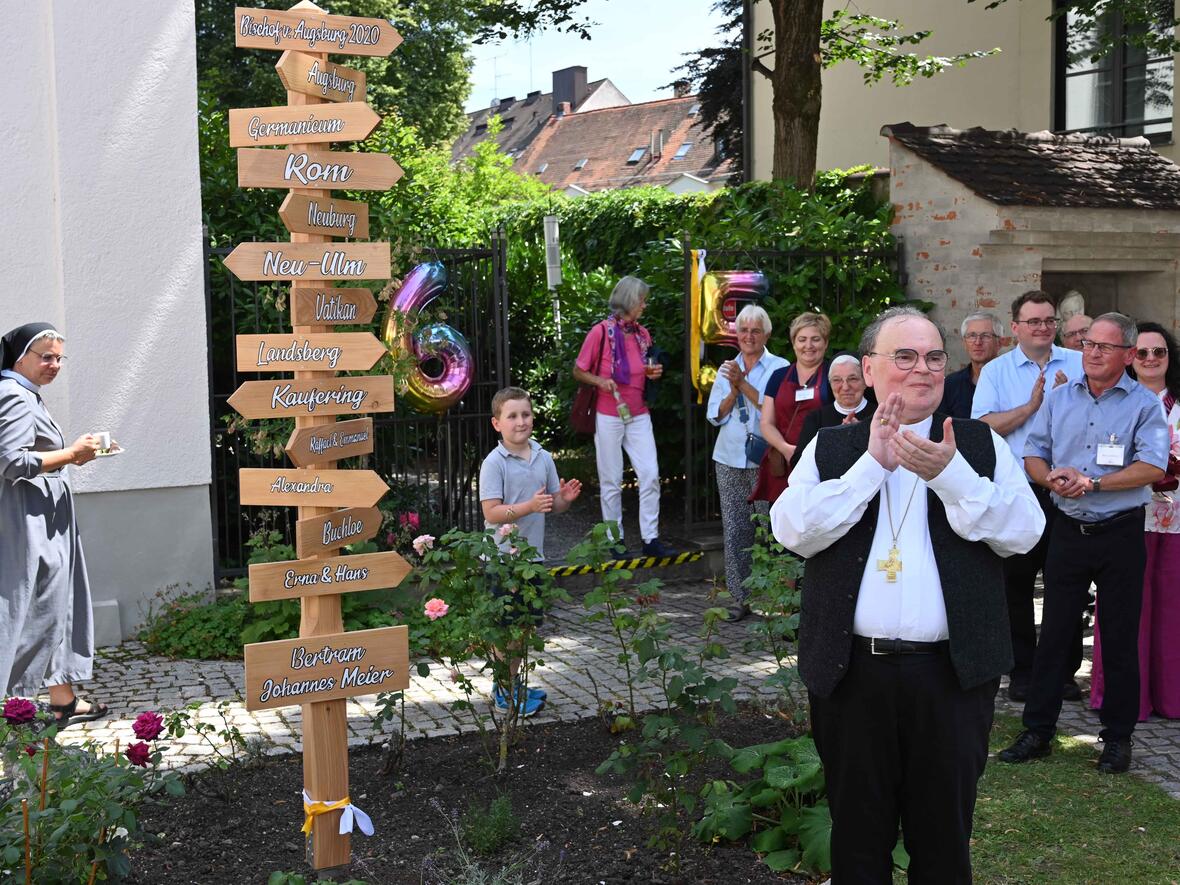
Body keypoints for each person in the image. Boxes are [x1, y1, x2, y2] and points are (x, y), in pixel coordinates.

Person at [772, 306, 1043, 881]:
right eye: (905, 356)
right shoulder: (828, 448)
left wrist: (952, 477)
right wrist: (871, 467)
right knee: (858, 842)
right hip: (852, 678)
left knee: (944, 844)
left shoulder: (979, 446)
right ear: (868, 369)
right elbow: (793, 531)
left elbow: (1025, 533)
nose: (923, 369)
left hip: (951, 678)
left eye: (934, 358)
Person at [1000, 313, 1169, 774]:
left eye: (1104, 347)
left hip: (1119, 533)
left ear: (1128, 356)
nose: (1092, 353)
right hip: (1068, 531)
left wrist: (1093, 484)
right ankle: (1037, 731)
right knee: (1053, 633)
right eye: (1089, 344)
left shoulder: (1144, 406)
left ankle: (1117, 739)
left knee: (1117, 638)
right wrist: (1051, 481)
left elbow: (1153, 467)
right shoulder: (1059, 399)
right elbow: (1033, 452)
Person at [972, 290, 1084, 702]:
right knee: (1015, 584)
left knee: (1066, 584)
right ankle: (1022, 671)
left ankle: (1063, 672)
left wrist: (1065, 400)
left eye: (1048, 321)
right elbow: (982, 426)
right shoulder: (997, 371)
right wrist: (1032, 406)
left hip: (1070, 491)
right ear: (1015, 327)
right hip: (1018, 492)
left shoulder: (1077, 364)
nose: (1042, 328)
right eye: (1033, 321)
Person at [0, 322, 108, 728]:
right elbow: (11, 461)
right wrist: (71, 455)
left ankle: (62, 700)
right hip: (30, 524)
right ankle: (15, 709)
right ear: (19, 357)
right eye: (45, 356)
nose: (54, 364)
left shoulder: (27, 395)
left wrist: (77, 451)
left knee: (56, 604)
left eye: (59, 357)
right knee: (36, 609)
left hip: (45, 519)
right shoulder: (12, 395)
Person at [1090, 322, 1180, 720]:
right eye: (1141, 352)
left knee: (1171, 609)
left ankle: (1171, 695)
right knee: (1126, 609)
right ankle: (1125, 698)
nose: (1149, 360)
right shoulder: (1112, 403)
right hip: (1126, 516)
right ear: (1129, 357)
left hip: (1176, 521)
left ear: (1168, 358)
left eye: (1158, 353)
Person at [479, 386, 582, 715]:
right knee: (506, 629)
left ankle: (512, 684)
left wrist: (564, 498)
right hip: (503, 560)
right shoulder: (494, 463)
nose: (520, 421)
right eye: (512, 416)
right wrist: (529, 506)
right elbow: (491, 513)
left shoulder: (543, 457)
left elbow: (553, 505)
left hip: (531, 561)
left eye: (525, 414)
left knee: (523, 627)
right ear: (497, 424)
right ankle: (503, 692)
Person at [572, 276, 673, 557]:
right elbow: (578, 371)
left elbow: (647, 369)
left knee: (651, 475)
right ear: (629, 301)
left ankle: (650, 539)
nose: (645, 305)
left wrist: (654, 373)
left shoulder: (643, 334)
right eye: (642, 300)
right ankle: (614, 540)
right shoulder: (601, 332)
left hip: (639, 412)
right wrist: (600, 381)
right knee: (611, 480)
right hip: (608, 414)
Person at [705, 305, 789, 620]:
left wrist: (741, 384)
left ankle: (781, 595)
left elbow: (777, 409)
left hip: (767, 459)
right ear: (736, 335)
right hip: (728, 457)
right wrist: (731, 390)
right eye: (743, 331)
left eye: (755, 330)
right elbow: (714, 415)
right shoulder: (726, 369)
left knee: (774, 526)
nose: (749, 336)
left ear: (766, 334)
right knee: (736, 529)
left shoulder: (779, 366)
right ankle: (740, 599)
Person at [749, 312, 832, 503]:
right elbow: (767, 423)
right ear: (794, 343)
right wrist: (786, 449)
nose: (808, 346)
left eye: (815, 339)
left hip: (821, 463)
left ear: (825, 343)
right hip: (783, 463)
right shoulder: (779, 376)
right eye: (802, 339)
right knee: (779, 525)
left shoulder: (832, 375)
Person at [789, 353, 875, 467]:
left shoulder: (880, 414)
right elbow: (798, 462)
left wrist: (863, 435)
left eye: (853, 379)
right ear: (830, 384)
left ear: (865, 382)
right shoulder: (816, 418)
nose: (845, 387)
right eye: (837, 380)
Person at [939, 312, 1001, 419]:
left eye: (985, 336)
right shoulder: (950, 384)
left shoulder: (1013, 380)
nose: (978, 342)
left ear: (999, 342)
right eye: (972, 336)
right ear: (964, 343)